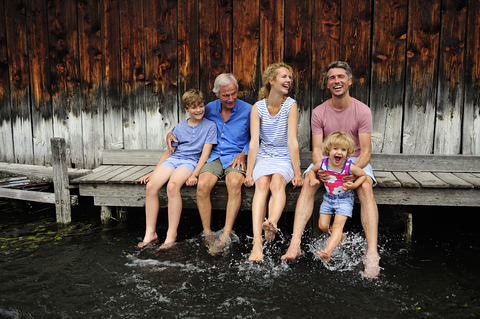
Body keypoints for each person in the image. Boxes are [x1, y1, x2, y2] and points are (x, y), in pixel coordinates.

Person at [281, 61, 381, 278]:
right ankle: (295, 242)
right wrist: (322, 170)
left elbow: (365, 152)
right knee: (309, 180)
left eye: (341, 77)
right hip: (328, 159)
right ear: (327, 84)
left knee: (364, 186)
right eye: (332, 78)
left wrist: (348, 171)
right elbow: (317, 151)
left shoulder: (362, 110)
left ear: (350, 81)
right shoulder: (319, 112)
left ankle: (372, 253)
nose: (337, 81)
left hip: (353, 161)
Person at [168, 74, 251, 253]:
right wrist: (170, 132)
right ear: (216, 94)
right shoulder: (208, 108)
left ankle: (226, 233)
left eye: (233, 94)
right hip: (213, 156)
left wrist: (244, 152)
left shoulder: (249, 110)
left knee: (235, 182)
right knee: (203, 185)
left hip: (236, 156)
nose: (230, 99)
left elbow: (258, 136)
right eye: (225, 95)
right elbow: (190, 122)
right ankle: (207, 233)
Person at [137, 89, 217, 249]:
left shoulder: (210, 127)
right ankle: (150, 233)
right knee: (151, 186)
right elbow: (169, 152)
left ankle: (171, 235)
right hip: (174, 159)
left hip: (190, 162)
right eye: (194, 107)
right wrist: (154, 172)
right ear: (186, 109)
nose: (199, 110)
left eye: (201, 106)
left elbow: (204, 155)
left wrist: (195, 174)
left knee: (173, 186)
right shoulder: (179, 128)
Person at [244, 62, 303, 261]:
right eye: (284, 77)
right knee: (262, 184)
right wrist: (249, 173)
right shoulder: (257, 108)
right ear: (271, 80)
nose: (288, 80)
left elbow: (292, 141)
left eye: (289, 77)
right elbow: (254, 143)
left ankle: (271, 223)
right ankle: (257, 244)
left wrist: (297, 172)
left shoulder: (291, 105)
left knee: (277, 181)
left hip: (284, 154)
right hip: (264, 154)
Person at [307, 131, 366, 262]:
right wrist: (312, 179)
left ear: (348, 153)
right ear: (328, 150)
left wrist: (354, 185)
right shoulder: (323, 163)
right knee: (323, 226)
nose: (339, 152)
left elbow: (363, 175)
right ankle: (340, 237)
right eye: (335, 149)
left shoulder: (349, 166)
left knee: (337, 226)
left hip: (345, 199)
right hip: (328, 198)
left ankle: (327, 251)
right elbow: (312, 170)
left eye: (343, 150)